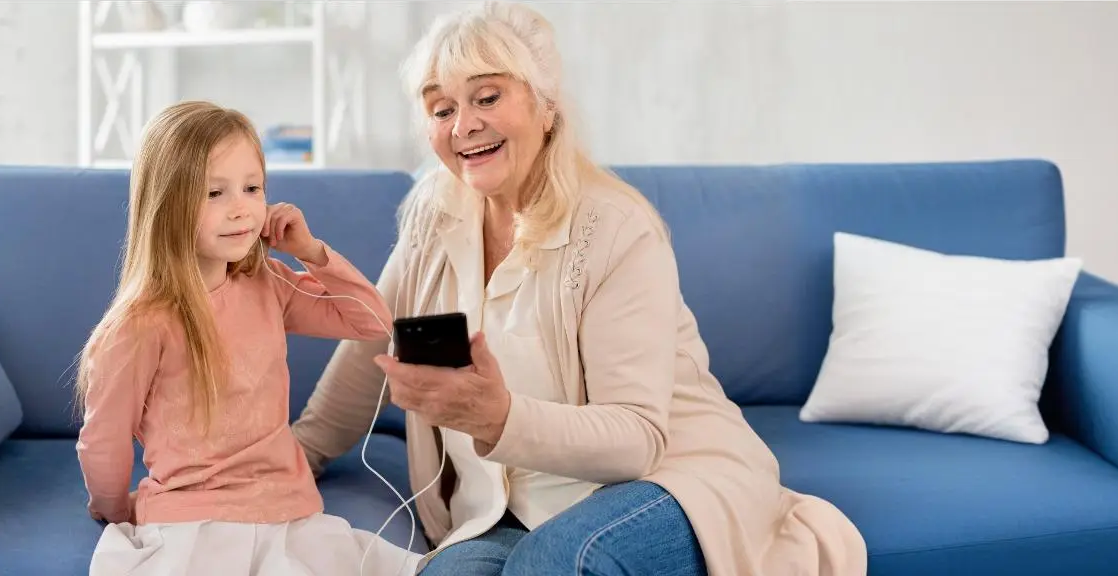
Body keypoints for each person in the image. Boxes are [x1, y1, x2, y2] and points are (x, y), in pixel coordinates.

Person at [290, 3, 869, 575]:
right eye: (442, 108)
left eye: (488, 97)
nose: (464, 125)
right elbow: (371, 351)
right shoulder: (433, 219)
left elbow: (638, 439)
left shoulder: (615, 227)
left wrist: (499, 418)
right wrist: (296, 456)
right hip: (503, 513)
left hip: (665, 480)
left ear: (546, 108)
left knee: (555, 563)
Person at [75, 100, 423, 576]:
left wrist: (310, 251)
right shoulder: (139, 324)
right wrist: (113, 508)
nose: (240, 208)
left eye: (252, 188)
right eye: (214, 193)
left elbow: (370, 323)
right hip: (193, 527)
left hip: (289, 513)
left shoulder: (268, 282)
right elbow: (104, 438)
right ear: (167, 204)